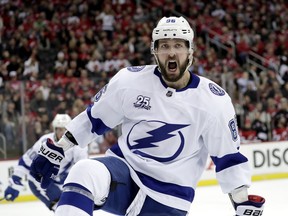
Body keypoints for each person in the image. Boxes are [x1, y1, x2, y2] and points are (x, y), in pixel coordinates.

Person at [30, 16, 265, 216]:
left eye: (178, 45)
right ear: (155, 51)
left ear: (190, 51)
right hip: (124, 171)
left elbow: (228, 157)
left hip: (169, 197)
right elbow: (95, 119)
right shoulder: (129, 82)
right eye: (164, 46)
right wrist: (60, 147)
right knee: (84, 171)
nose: (171, 52)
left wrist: (241, 200)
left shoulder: (213, 101)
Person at [4, 114, 88, 210]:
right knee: (62, 208)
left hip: (62, 180)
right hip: (41, 182)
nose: (62, 133)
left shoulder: (78, 145)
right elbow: (26, 160)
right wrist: (15, 179)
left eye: (65, 130)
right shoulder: (45, 142)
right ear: (54, 129)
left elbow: (82, 167)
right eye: (59, 129)